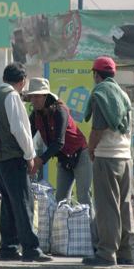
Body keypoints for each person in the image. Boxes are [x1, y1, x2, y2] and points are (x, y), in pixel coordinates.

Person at [0, 62, 52, 263]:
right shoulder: (12, 96)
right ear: (23, 81)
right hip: (13, 158)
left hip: (0, 159)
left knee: (9, 205)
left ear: (3, 78)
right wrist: (30, 156)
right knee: (23, 203)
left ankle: (8, 248)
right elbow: (20, 130)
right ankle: (31, 249)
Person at [82, 56, 134, 267]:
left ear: (96, 74)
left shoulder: (101, 94)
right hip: (126, 157)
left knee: (107, 207)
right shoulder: (124, 94)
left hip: (107, 157)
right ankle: (126, 252)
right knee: (124, 205)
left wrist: (91, 150)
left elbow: (97, 129)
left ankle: (106, 252)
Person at [26, 77, 92, 205]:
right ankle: (63, 225)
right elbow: (27, 137)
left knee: (84, 199)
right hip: (63, 159)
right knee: (60, 201)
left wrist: (39, 161)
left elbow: (59, 142)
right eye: (32, 97)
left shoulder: (60, 111)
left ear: (46, 97)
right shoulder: (35, 115)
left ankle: (91, 226)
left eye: (37, 97)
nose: (34, 101)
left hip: (81, 155)